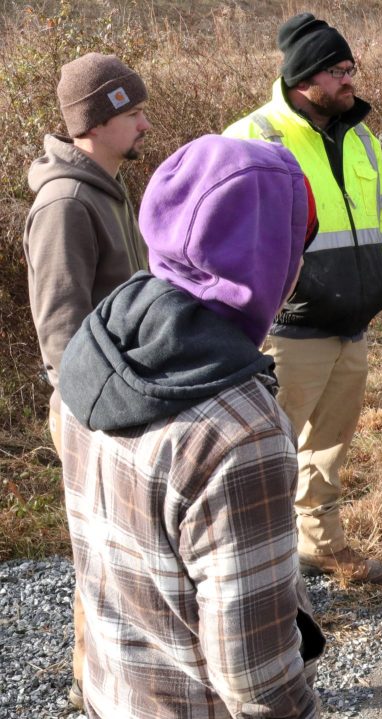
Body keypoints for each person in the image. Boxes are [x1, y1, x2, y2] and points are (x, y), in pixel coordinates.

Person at [58, 135, 325, 718]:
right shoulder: (240, 433)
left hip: (115, 695)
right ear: (267, 252)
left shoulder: (97, 347)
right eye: (296, 239)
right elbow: (256, 679)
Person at [224, 12, 382, 583]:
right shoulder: (252, 138)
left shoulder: (361, 137)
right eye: (338, 71)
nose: (350, 80)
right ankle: (255, 564)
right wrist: (268, 303)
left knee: (328, 447)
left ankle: (321, 544)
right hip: (289, 330)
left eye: (350, 68)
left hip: (352, 322)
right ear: (305, 80)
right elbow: (223, 238)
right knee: (265, 451)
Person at [22, 51, 152, 709]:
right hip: (93, 407)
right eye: (133, 112)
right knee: (101, 554)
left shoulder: (105, 185)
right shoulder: (66, 202)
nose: (145, 125)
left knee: (127, 547)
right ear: (97, 120)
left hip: (124, 396)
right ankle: (91, 682)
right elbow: (61, 331)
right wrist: (95, 413)